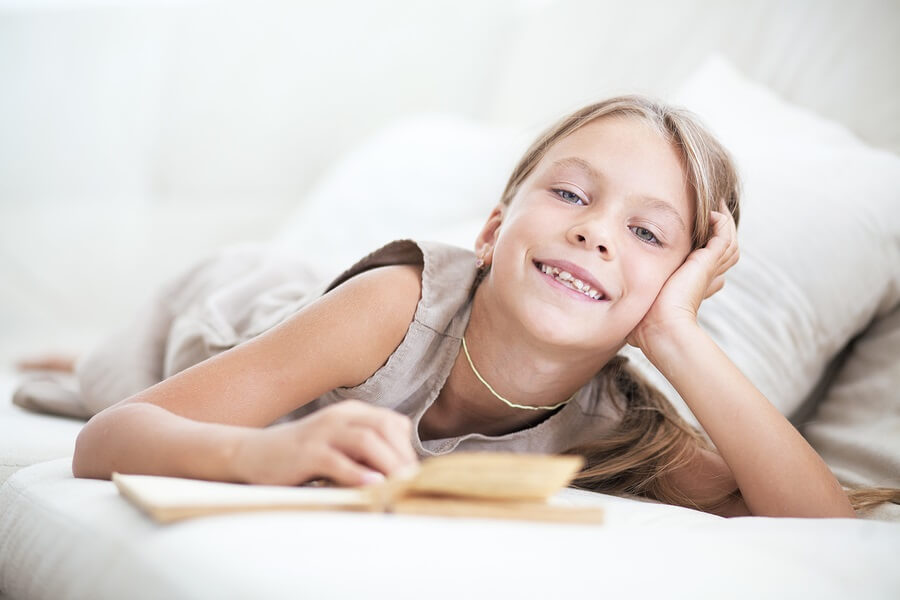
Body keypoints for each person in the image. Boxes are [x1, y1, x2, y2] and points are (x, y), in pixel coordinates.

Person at [21, 95, 889, 518]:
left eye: (648, 236)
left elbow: (815, 528)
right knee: (95, 377)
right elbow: (111, 439)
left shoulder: (616, 424)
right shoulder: (393, 305)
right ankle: (72, 351)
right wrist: (266, 452)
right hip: (237, 316)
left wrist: (675, 335)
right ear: (493, 230)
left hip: (317, 341)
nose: (596, 235)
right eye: (572, 195)